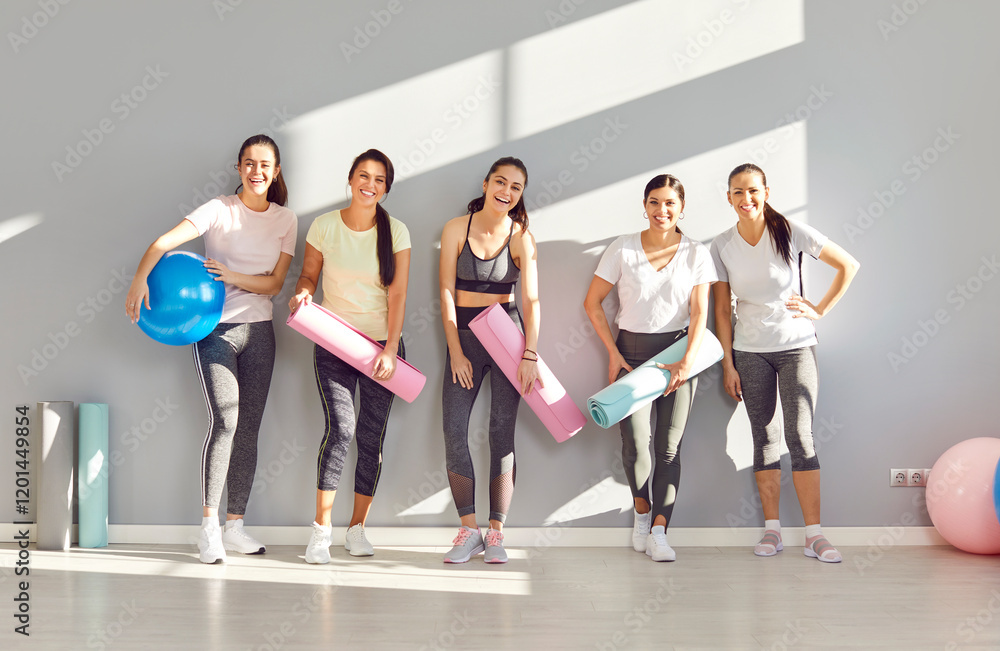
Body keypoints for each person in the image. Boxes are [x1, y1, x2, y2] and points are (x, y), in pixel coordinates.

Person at [126, 134, 297, 564]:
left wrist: (233, 275)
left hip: (260, 332)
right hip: (214, 331)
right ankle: (208, 528)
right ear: (239, 168)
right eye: (249, 164)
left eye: (265, 165)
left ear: (275, 172)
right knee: (226, 419)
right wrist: (139, 279)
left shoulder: (285, 220)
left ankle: (234, 525)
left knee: (249, 429)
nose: (256, 172)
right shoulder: (219, 209)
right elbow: (163, 243)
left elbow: (274, 285)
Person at [711, 162, 859, 563]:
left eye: (753, 191)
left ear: (766, 192)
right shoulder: (721, 245)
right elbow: (722, 311)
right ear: (728, 197)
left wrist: (820, 309)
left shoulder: (790, 232)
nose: (747, 199)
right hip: (749, 351)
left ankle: (815, 535)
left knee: (800, 434)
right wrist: (728, 363)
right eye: (738, 192)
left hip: (796, 346)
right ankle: (772, 532)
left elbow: (849, 265)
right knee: (764, 436)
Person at [583, 174, 716, 562]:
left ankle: (660, 530)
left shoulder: (696, 252)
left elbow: (699, 311)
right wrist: (612, 352)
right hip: (632, 354)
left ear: (682, 208)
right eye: (655, 202)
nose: (662, 210)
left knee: (669, 449)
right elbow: (592, 303)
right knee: (634, 444)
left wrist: (686, 363)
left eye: (670, 203)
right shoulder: (622, 249)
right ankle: (642, 512)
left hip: (679, 352)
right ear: (645, 206)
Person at [289, 149, 410, 563]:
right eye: (363, 176)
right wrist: (304, 290)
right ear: (351, 178)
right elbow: (309, 274)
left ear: (386, 188)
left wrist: (391, 349)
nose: (369, 185)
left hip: (382, 350)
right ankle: (321, 532)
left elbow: (398, 294)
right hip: (335, 343)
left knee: (370, 438)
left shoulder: (397, 232)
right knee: (341, 429)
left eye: (379, 180)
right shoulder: (323, 227)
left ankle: (357, 529)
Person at [438, 157, 540, 564]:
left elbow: (531, 301)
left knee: (502, 431)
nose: (507, 191)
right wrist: (455, 351)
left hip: (507, 341)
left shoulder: (521, 237)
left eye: (516, 187)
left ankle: (496, 533)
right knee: (453, 430)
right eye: (501, 182)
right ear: (485, 184)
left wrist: (530, 353)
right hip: (463, 338)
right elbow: (445, 291)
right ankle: (468, 529)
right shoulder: (454, 229)